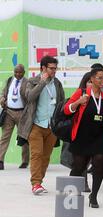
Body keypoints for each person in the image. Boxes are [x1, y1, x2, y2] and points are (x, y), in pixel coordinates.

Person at [64, 68, 103, 208]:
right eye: (99, 78)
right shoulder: (82, 93)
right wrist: (78, 102)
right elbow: (67, 109)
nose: (102, 81)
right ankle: (70, 195)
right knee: (79, 167)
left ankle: (94, 196)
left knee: (99, 164)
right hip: (82, 136)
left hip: (99, 137)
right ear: (91, 78)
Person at [18, 56, 65, 195]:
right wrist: (42, 83)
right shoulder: (31, 82)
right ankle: (36, 183)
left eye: (55, 68)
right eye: (51, 68)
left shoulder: (57, 83)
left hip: (51, 126)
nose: (54, 71)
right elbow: (29, 97)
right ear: (43, 68)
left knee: (45, 156)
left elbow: (61, 102)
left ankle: (39, 182)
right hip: (36, 125)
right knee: (37, 154)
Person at [0, 64, 29, 170]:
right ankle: (0, 160)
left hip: (22, 113)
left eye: (20, 72)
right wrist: (2, 98)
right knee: (4, 137)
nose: (17, 74)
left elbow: (29, 96)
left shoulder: (27, 83)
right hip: (9, 112)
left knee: (24, 137)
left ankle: (25, 161)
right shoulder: (9, 80)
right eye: (16, 72)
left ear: (23, 72)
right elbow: (4, 92)